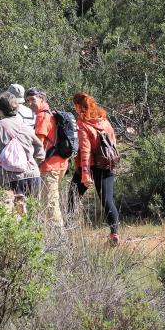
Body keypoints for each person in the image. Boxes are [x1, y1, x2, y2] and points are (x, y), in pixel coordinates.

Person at [71, 92, 120, 245]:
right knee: (107, 199)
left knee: (72, 196)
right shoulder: (104, 120)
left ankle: (68, 230)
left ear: (79, 106)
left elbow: (85, 152)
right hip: (107, 164)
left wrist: (85, 174)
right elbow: (113, 142)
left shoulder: (83, 124)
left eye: (75, 106)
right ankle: (114, 234)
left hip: (90, 167)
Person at [0, 91, 45, 197]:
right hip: (32, 177)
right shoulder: (26, 127)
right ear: (17, 108)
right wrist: (32, 165)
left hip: (8, 178)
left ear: (0, 111)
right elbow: (40, 151)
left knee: (11, 212)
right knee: (31, 211)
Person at [25, 88, 68, 230]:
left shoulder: (42, 116)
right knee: (51, 201)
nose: (30, 103)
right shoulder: (51, 113)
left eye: (33, 100)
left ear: (42, 99)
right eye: (28, 101)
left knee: (50, 205)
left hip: (50, 166)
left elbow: (39, 144)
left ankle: (59, 240)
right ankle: (53, 235)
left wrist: (30, 163)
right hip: (60, 163)